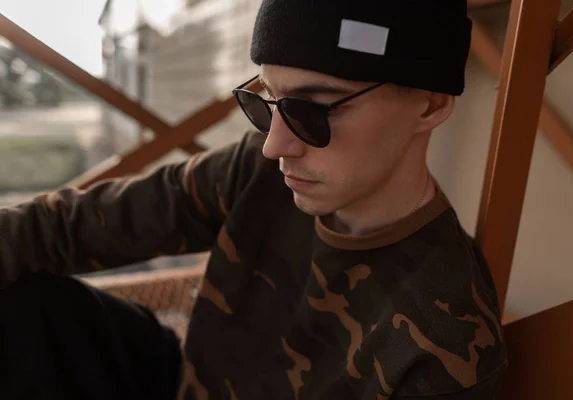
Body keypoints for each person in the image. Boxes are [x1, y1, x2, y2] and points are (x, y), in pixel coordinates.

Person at [0, 0, 507, 398]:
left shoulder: (446, 339)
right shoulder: (259, 169)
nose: (275, 144)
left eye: (313, 109)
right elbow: (78, 225)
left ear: (431, 106)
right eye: (266, 102)